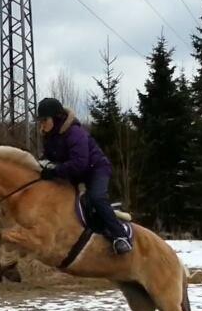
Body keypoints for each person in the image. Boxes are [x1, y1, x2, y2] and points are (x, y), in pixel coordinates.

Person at [36, 97, 132, 255]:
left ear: (56, 118)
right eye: (40, 120)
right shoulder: (50, 137)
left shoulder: (75, 133)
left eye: (44, 119)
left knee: (96, 198)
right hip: (76, 174)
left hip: (96, 170)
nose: (41, 124)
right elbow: (48, 158)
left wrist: (54, 171)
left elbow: (79, 163)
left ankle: (120, 237)